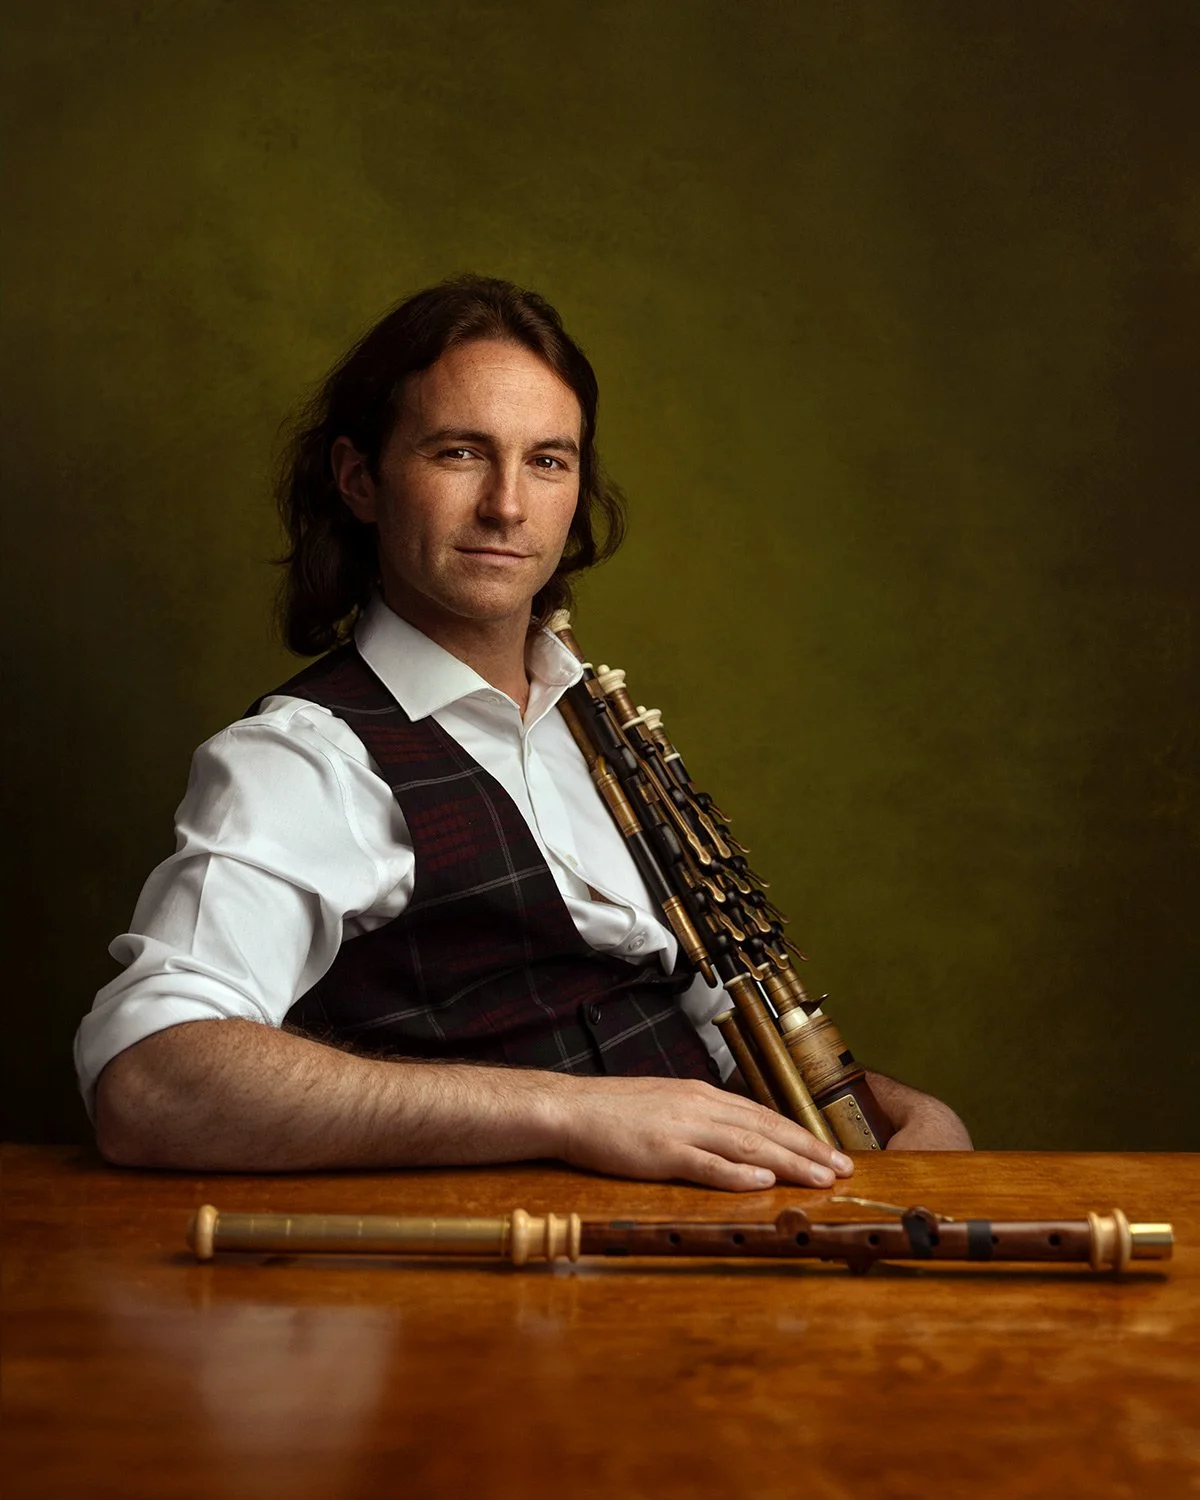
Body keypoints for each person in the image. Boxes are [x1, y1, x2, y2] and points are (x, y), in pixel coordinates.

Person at [78, 276, 970, 1191]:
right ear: (359, 480)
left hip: (718, 1255)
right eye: (461, 452)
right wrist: (565, 1109)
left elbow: (704, 1028)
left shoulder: (594, 722)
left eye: (548, 461)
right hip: (506, 1296)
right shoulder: (306, 758)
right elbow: (150, 1080)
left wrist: (879, 1106)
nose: (508, 506)